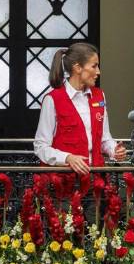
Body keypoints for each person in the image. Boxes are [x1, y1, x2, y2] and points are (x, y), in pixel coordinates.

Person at [33, 42, 127, 175]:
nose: (98, 72)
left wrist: (114, 150)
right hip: (64, 181)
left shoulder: (100, 96)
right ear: (77, 68)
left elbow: (104, 138)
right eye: (94, 66)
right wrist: (67, 158)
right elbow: (40, 147)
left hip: (95, 178)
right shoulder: (53, 99)